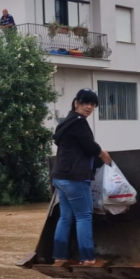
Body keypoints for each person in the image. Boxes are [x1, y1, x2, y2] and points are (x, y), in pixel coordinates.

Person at [51, 88, 112, 266]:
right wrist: (103, 155)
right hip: (74, 178)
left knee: (65, 217)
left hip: (60, 177)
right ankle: (87, 258)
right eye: (85, 103)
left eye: (92, 104)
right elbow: (90, 146)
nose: (89, 107)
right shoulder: (79, 123)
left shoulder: (65, 122)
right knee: (84, 216)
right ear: (76, 102)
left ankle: (60, 257)